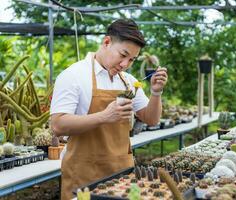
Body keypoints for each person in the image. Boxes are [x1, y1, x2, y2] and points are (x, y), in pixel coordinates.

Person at [50, 19, 168, 199]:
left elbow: (151, 119)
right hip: (84, 177)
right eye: (123, 55)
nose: (125, 64)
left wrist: (156, 93)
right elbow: (58, 125)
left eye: (131, 60)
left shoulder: (128, 81)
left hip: (121, 176)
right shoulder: (73, 75)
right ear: (106, 42)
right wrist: (105, 116)